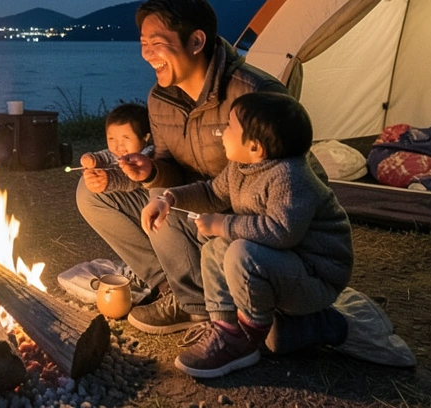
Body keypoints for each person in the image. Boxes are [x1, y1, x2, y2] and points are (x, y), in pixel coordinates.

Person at [75, 0, 288, 336]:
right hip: (189, 205)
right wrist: (151, 171)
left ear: (196, 41)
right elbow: (167, 163)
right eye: (142, 42)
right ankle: (172, 288)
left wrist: (183, 197)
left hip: (238, 219)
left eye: (156, 42)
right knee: (93, 191)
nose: (146, 54)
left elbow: (280, 185)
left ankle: (206, 305)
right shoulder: (160, 98)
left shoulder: (252, 93)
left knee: (164, 199)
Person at [142, 92, 353, 378]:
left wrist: (222, 224)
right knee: (216, 249)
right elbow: (211, 193)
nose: (222, 133)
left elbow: (280, 232)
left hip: (315, 277)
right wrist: (168, 198)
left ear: (255, 147)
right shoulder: (242, 168)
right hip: (284, 267)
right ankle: (227, 328)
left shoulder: (290, 178)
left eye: (230, 127)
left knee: (241, 252)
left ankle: (244, 340)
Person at [77, 102, 152, 196]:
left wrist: (110, 179)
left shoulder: (149, 155)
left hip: (146, 196)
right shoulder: (117, 153)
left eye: (126, 138)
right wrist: (93, 160)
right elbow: (106, 156)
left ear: (145, 138)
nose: (119, 146)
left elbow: (132, 179)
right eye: (112, 139)